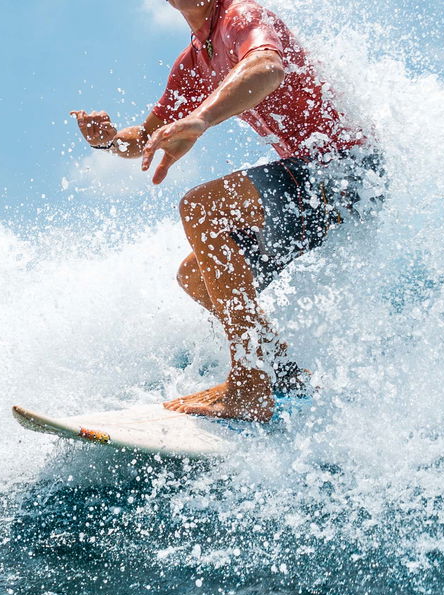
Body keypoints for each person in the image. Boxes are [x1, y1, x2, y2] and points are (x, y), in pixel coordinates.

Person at [71, 0, 386, 422]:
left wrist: (200, 120)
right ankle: (282, 371)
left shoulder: (242, 16)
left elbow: (267, 67)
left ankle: (249, 384)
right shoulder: (192, 63)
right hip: (314, 182)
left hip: (347, 169)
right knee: (195, 276)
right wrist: (108, 141)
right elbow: (146, 136)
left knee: (202, 209)